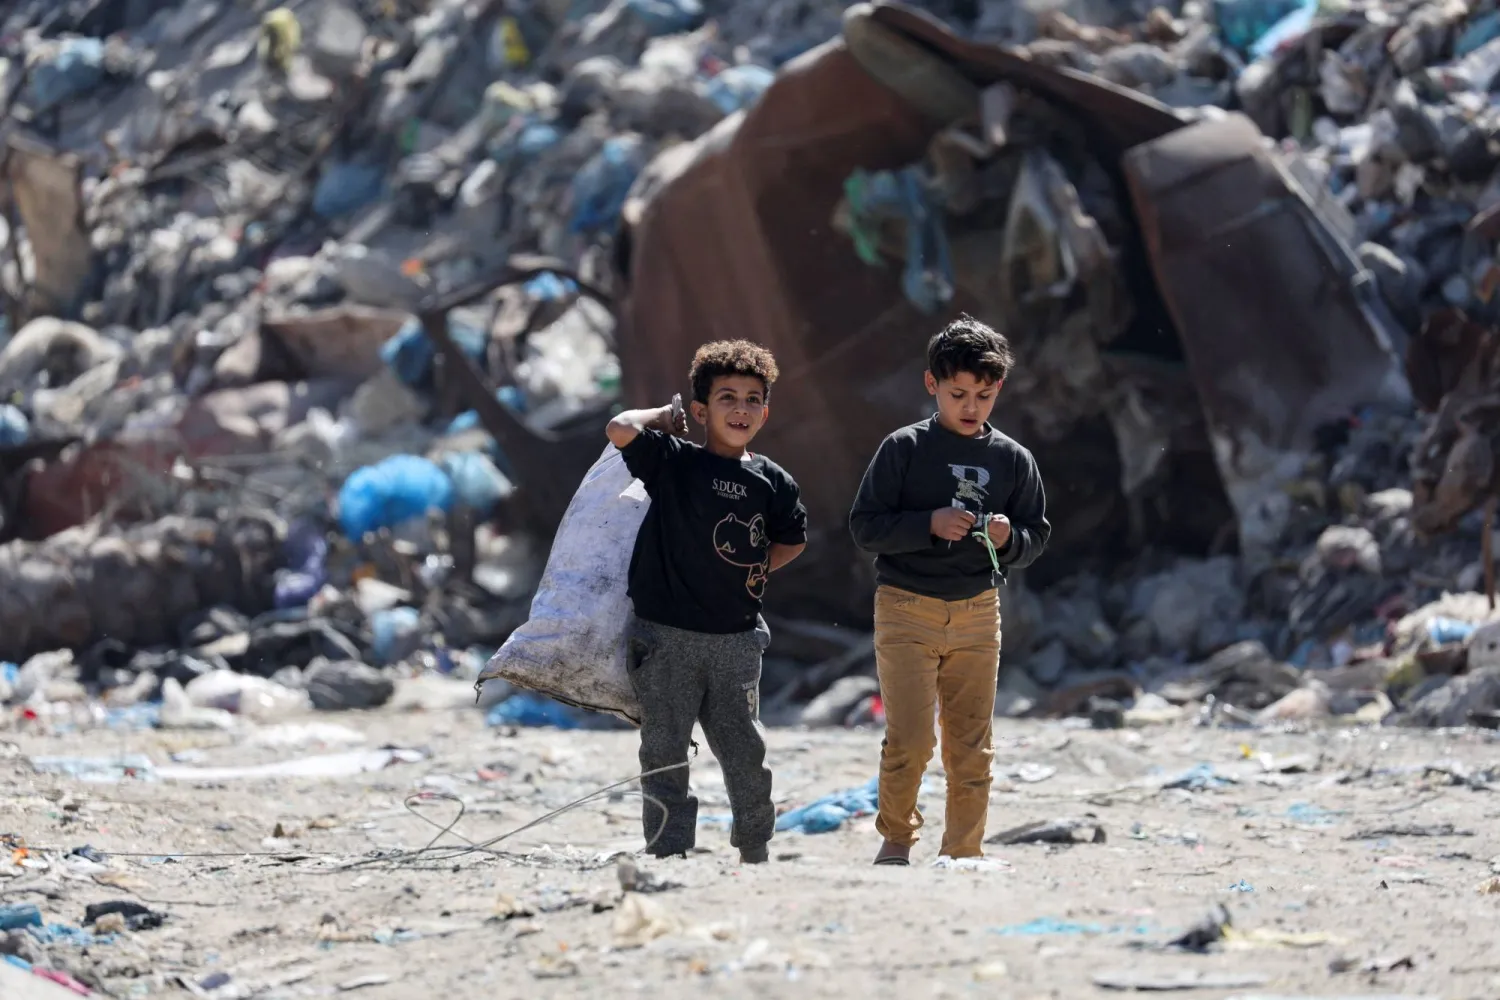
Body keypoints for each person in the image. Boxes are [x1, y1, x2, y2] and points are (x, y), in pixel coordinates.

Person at [848, 316, 1051, 865]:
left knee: (971, 746)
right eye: (958, 393)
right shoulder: (903, 449)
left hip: (979, 612)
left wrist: (1011, 537)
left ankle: (963, 852)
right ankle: (895, 840)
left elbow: (1037, 535)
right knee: (912, 739)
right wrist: (927, 524)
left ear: (998, 390)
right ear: (931, 384)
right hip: (905, 607)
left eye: (984, 395)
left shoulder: (1013, 459)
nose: (971, 406)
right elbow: (865, 527)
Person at [605, 340, 808, 864]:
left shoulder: (773, 481)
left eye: (752, 399)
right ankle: (669, 851)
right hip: (665, 637)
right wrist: (663, 417)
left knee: (744, 752)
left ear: (766, 410)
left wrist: (752, 569)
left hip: (736, 640)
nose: (740, 409)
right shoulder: (674, 462)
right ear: (700, 411)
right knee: (664, 752)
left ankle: (755, 848)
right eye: (726, 398)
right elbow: (620, 428)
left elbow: (792, 540)